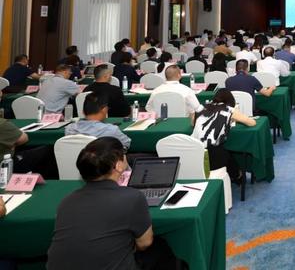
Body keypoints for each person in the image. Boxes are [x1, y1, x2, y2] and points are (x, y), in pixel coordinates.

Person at [47, 137, 178, 269]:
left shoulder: (66, 202)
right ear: (119, 165)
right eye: (123, 153)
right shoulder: (132, 197)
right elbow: (145, 243)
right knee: (161, 248)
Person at [192, 89, 256, 182]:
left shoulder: (201, 107)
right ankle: (237, 175)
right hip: (214, 156)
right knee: (228, 151)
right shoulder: (229, 109)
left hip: (195, 151)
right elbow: (251, 123)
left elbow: (192, 122)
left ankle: (235, 174)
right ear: (231, 100)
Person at [65, 93, 131, 149]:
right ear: (104, 110)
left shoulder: (70, 129)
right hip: (105, 160)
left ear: (83, 111)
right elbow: (127, 143)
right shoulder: (112, 130)